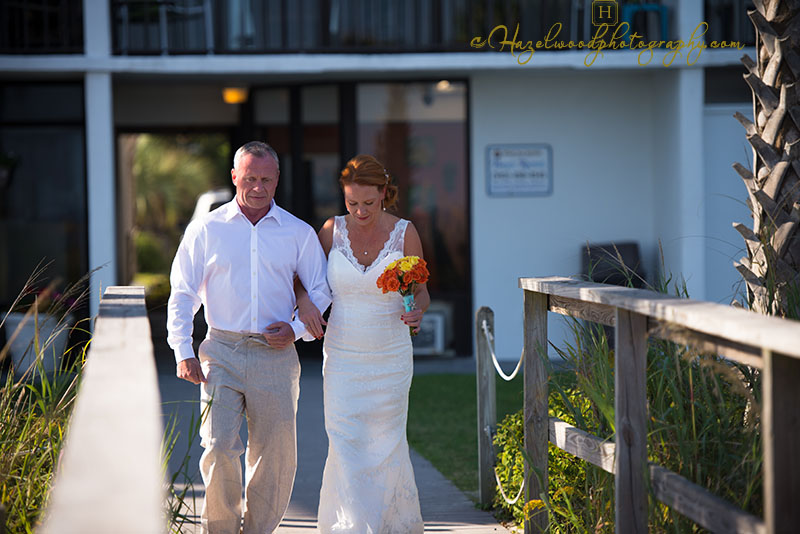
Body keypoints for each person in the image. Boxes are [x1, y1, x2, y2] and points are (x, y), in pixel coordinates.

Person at [167, 141, 331, 534]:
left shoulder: (298, 232)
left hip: (275, 355)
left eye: (267, 179)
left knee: (275, 455)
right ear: (235, 177)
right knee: (219, 446)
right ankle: (221, 530)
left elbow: (321, 290)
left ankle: (259, 530)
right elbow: (183, 293)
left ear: (277, 180)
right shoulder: (206, 229)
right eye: (251, 177)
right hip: (220, 349)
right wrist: (183, 350)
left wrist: (293, 331)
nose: (258, 187)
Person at [296, 154, 429, 533]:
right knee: (346, 445)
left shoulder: (405, 233)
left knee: (385, 446)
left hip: (390, 356)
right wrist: (304, 300)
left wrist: (417, 311)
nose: (359, 211)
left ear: (385, 194)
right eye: (352, 203)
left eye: (368, 203)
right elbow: (303, 280)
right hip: (342, 357)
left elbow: (421, 293)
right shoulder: (330, 231)